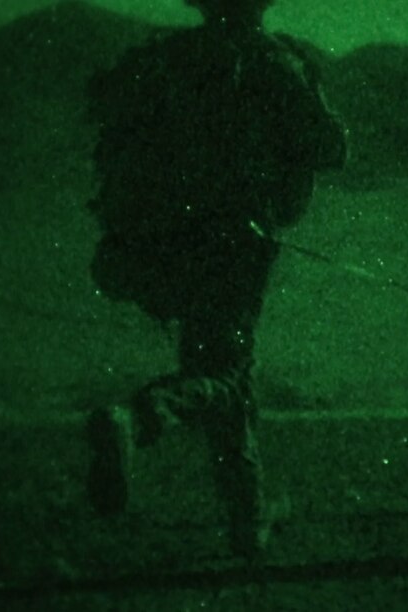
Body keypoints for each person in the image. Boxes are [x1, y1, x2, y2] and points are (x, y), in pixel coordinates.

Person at [83, 0, 347, 560]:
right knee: (224, 374)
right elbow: (330, 148)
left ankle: (247, 524)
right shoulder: (272, 60)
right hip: (237, 242)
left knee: (222, 373)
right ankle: (138, 417)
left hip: (166, 244)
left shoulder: (168, 58)